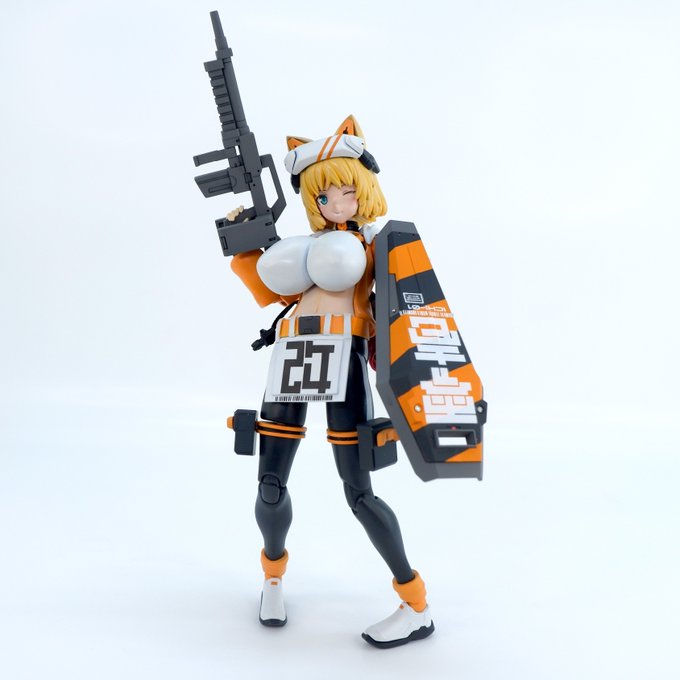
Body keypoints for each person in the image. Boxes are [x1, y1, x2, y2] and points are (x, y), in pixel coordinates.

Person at [228, 115, 434, 648]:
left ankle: (416, 604)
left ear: (364, 190)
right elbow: (272, 292)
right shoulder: (304, 250)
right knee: (271, 483)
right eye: (324, 195)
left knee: (359, 492)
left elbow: (413, 302)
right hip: (294, 355)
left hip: (345, 359)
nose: (336, 202)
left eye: (347, 191)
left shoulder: (376, 244)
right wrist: (245, 247)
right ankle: (273, 578)